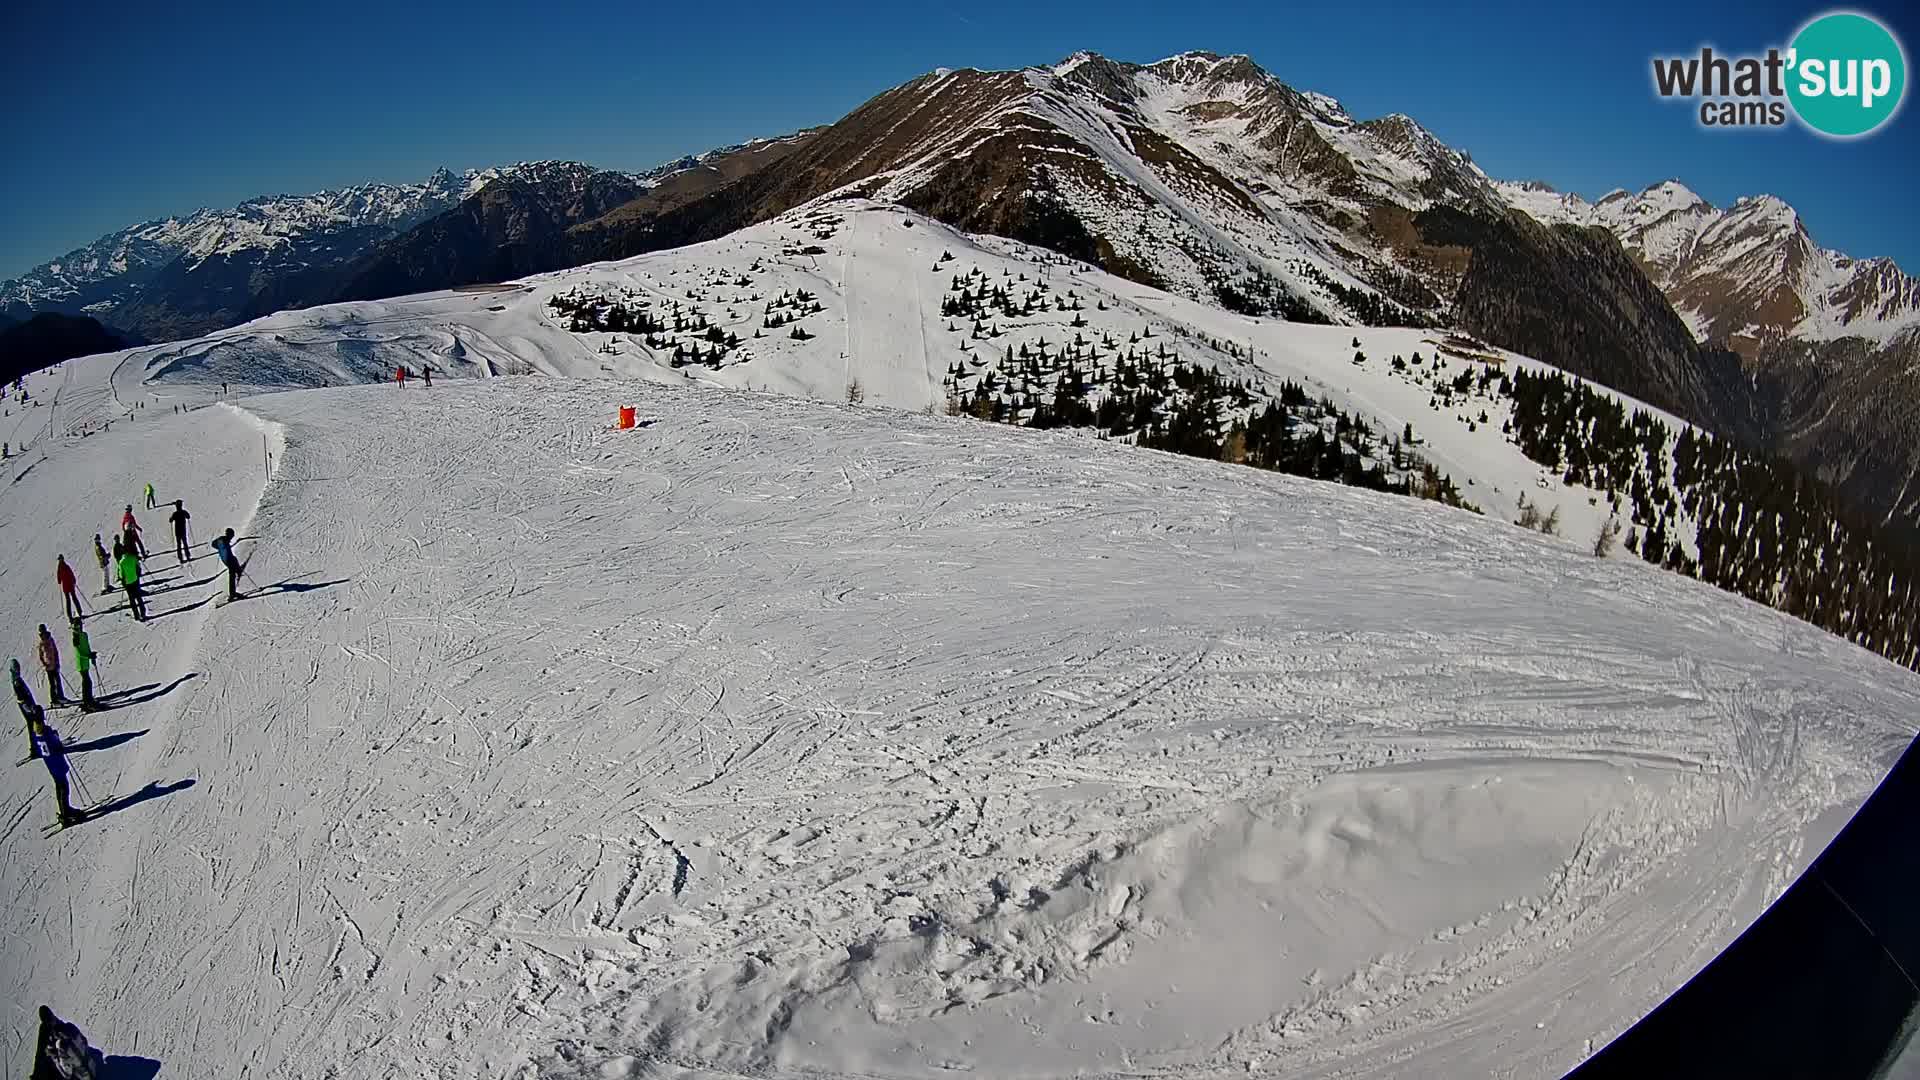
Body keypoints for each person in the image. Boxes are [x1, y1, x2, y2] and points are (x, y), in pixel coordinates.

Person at [35, 721, 82, 827]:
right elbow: (56, 745)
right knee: (64, 788)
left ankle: (65, 810)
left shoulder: (38, 736)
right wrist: (55, 737)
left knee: (60, 788)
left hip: (51, 765)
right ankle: (66, 813)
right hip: (58, 764)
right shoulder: (47, 735)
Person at [11, 658, 45, 761]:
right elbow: (21, 699)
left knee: (34, 724)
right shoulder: (17, 682)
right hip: (26, 706)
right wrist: (29, 709)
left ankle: (38, 745)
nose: (18, 670)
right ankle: (35, 748)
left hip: (28, 705)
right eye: (16, 669)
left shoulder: (17, 679)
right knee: (32, 725)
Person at [69, 620, 98, 713]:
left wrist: (91, 655)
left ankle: (88, 700)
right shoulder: (76, 638)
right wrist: (88, 656)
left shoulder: (84, 635)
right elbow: (79, 652)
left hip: (86, 662)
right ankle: (87, 702)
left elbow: (87, 647)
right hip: (81, 663)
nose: (79, 629)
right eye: (77, 627)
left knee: (87, 682)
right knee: (87, 682)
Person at [35, 624, 65, 706]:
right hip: (48, 666)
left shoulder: (50, 639)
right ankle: (54, 699)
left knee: (58, 681)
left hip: (54, 664)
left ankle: (61, 697)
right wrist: (45, 664)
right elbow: (41, 656)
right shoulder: (41, 643)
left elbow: (55, 651)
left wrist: (57, 661)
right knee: (52, 683)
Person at [211, 528, 243, 601]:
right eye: (232, 535)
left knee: (234, 563)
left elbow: (213, 544)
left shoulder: (220, 539)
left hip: (224, 559)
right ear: (229, 535)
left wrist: (219, 548)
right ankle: (232, 594)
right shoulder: (225, 541)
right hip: (229, 559)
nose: (232, 537)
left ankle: (238, 572)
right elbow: (228, 554)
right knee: (232, 575)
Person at [118, 544, 146, 622]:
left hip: (128, 583)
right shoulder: (133, 558)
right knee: (139, 597)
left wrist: (122, 580)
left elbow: (121, 574)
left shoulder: (121, 562)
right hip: (135, 579)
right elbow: (138, 565)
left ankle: (136, 615)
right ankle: (143, 613)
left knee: (132, 600)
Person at [55, 555, 82, 621]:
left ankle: (70, 616)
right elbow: (71, 574)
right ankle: (79, 612)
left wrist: (60, 581)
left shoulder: (59, 568)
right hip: (70, 585)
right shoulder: (66, 566)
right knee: (74, 598)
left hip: (66, 586)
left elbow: (59, 579)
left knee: (68, 601)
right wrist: (74, 580)